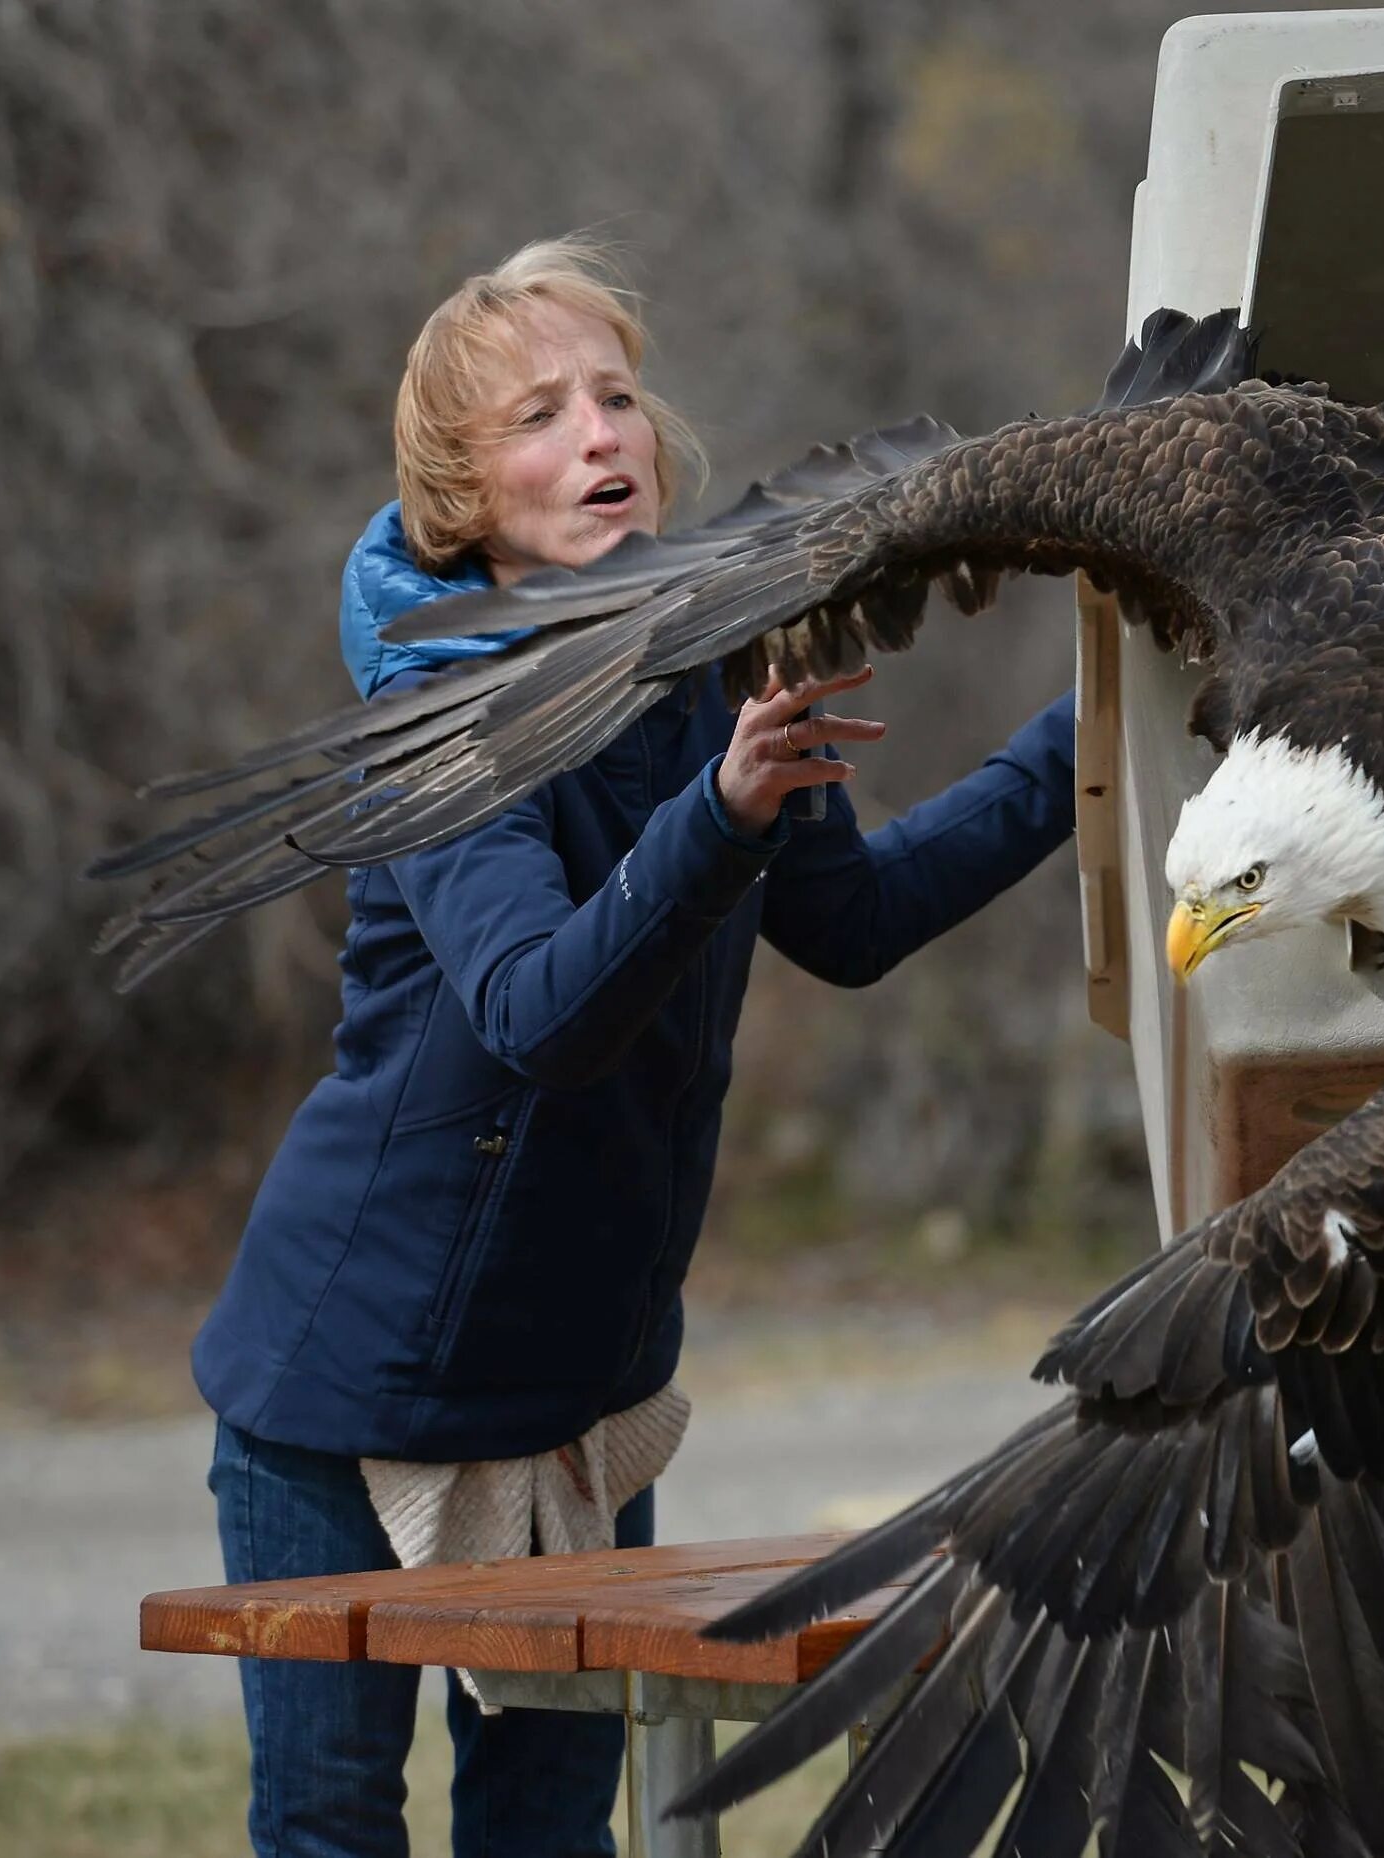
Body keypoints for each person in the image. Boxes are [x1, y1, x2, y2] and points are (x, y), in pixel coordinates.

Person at [194, 236, 1077, 1858]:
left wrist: (1081, 741)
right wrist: (721, 813)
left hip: (584, 1395)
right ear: (462, 493)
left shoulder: (716, 670)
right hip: (345, 1390)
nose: (601, 433)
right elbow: (540, 1012)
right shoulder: (440, 716)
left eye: (617, 395)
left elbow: (852, 921)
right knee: (329, 1829)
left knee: (550, 1837)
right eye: (541, 412)